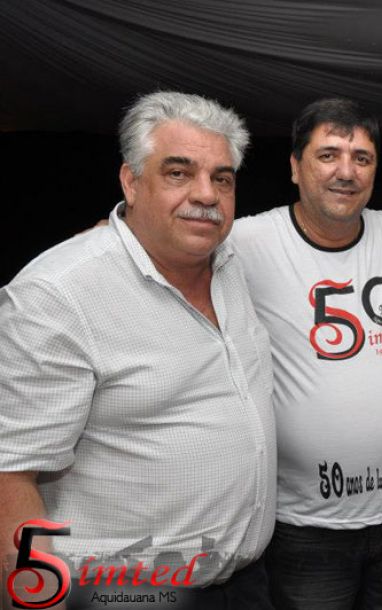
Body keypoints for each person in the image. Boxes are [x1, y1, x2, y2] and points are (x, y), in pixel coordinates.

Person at [0, 91, 276, 609]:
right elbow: (8, 476)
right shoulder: (58, 295)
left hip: (245, 584)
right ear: (131, 181)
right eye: (178, 172)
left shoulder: (229, 262)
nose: (206, 194)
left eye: (222, 178)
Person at [229, 98, 382, 610]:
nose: (347, 171)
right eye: (328, 155)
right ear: (295, 167)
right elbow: (167, 250)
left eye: (362, 158)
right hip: (307, 528)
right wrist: (113, 234)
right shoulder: (246, 241)